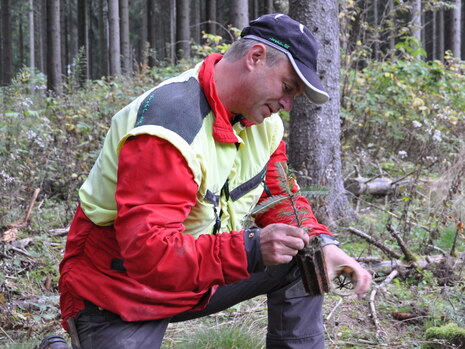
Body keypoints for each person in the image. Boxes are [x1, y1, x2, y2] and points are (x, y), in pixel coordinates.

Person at [44, 13, 372, 349]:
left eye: (295, 95)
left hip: (196, 273)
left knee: (303, 257)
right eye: (287, 87)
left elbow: (281, 199)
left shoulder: (263, 124)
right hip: (120, 292)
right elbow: (148, 254)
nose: (287, 105)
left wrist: (325, 245)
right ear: (255, 57)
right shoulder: (169, 127)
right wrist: (251, 249)